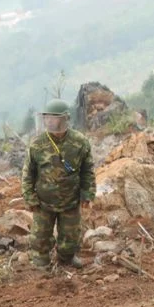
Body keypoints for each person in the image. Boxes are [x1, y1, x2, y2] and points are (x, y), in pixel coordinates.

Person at [21, 98, 96, 269]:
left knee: (71, 237)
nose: (50, 121)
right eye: (47, 117)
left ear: (65, 119)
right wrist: (29, 197)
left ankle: (66, 258)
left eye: (54, 118)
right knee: (40, 237)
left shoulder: (79, 142)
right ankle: (41, 262)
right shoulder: (37, 144)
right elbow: (27, 174)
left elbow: (87, 170)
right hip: (43, 203)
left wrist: (88, 194)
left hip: (70, 201)